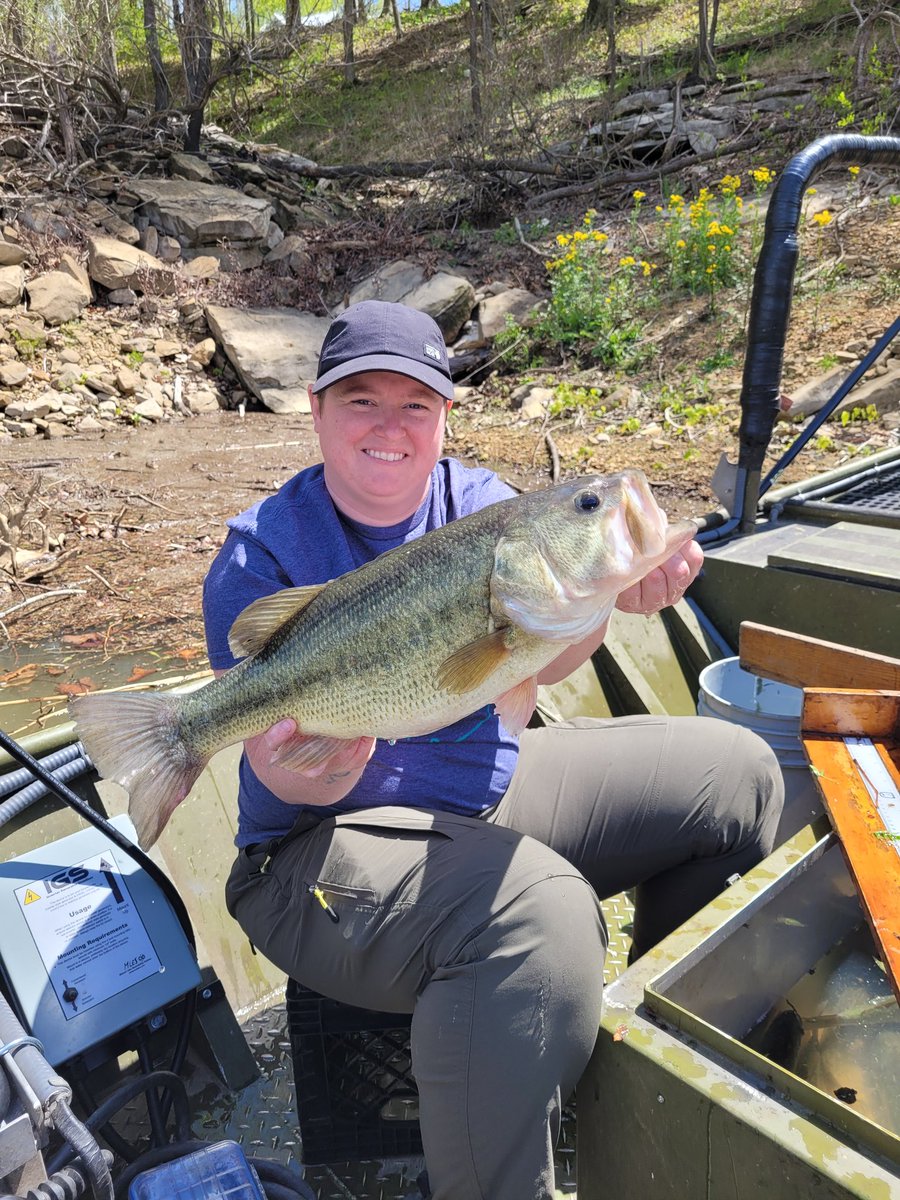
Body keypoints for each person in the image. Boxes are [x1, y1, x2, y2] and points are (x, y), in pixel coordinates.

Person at [202, 300, 783, 1200]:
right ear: (314, 410)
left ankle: (638, 1071)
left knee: (735, 777)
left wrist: (615, 595)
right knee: (542, 916)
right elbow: (272, 749)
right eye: (362, 401)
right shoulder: (261, 553)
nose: (390, 427)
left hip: (480, 798)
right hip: (313, 854)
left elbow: (532, 652)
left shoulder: (485, 510)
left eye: (417, 405)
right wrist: (292, 766)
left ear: (445, 417)